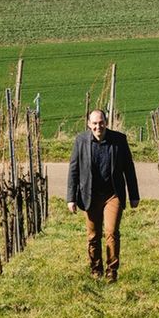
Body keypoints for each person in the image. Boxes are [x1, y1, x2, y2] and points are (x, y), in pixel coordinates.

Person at [66, 109, 139, 281]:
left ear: (106, 122)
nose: (98, 126)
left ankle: (111, 271)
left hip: (113, 194)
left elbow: (129, 168)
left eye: (101, 122)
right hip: (90, 195)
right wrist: (71, 198)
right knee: (93, 235)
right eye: (95, 123)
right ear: (89, 124)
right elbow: (74, 170)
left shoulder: (119, 141)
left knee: (111, 232)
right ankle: (95, 268)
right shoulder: (81, 141)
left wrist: (134, 195)